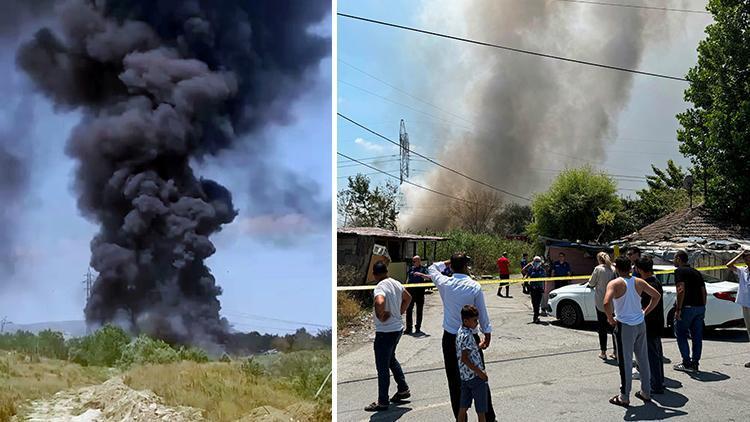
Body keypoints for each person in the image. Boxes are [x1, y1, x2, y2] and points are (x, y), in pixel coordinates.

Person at [427, 253, 496, 421]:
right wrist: (487, 334)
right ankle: (488, 417)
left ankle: (460, 417)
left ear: (451, 267)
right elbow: (482, 312)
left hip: (451, 338)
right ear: (466, 267)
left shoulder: (444, 283)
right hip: (471, 338)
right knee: (479, 377)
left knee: (455, 381)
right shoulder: (474, 286)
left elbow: (432, 268)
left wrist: (448, 263)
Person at [604, 256, 661, 407]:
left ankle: (624, 396)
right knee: (643, 359)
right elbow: (656, 296)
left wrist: (610, 319)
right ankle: (646, 392)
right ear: (630, 268)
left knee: (625, 362)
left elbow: (606, 302)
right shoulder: (639, 281)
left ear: (616, 268)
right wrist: (644, 312)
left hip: (625, 325)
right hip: (640, 323)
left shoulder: (615, 283)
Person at [365, 261, 412, 412]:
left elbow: (380, 301)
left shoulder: (380, 287)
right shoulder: (396, 283)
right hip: (397, 329)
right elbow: (408, 297)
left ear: (374, 274)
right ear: (386, 271)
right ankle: (403, 389)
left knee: (382, 367)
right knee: (391, 360)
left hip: (385, 332)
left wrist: (382, 314)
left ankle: (382, 401)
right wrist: (400, 312)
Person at [672, 250, 707, 373]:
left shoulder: (679, 272)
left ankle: (686, 363)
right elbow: (704, 291)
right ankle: (695, 363)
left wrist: (678, 309)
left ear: (679, 259)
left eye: (674, 258)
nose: (673, 261)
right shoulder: (696, 272)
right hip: (699, 308)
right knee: (697, 337)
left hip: (687, 308)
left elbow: (680, 290)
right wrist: (703, 306)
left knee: (681, 334)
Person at [636, 257, 665, 394]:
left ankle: (656, 385)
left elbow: (652, 301)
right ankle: (659, 381)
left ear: (639, 269)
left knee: (652, 355)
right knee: (657, 354)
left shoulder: (648, 284)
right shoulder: (656, 281)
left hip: (650, 324)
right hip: (657, 322)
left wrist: (643, 313)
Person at [581, 251, 617, 360]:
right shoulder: (613, 269)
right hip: (613, 302)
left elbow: (591, 283)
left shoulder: (598, 269)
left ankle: (603, 352)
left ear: (599, 259)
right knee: (614, 327)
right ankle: (616, 351)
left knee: (602, 328)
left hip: (601, 301)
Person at [456, 305, 489, 422]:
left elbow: (468, 351)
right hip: (475, 378)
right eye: (475, 320)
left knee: (463, 408)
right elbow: (464, 358)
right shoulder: (467, 336)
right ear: (466, 320)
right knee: (481, 411)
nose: (477, 323)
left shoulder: (461, 332)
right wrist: (480, 373)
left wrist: (479, 345)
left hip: (465, 378)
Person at [727, 249, 750, 368]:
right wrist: (740, 255)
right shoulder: (743, 271)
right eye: (746, 258)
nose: (747, 259)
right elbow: (729, 265)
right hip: (746, 304)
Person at [405, 255, 430, 335]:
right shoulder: (411, 269)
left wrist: (420, 274)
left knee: (419, 310)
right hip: (410, 291)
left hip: (419, 292)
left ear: (419, 261)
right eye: (413, 261)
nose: (413, 263)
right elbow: (408, 279)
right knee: (409, 310)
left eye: (415, 261)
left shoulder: (423, 269)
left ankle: (418, 327)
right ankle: (409, 328)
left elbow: (428, 278)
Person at [524, 256, 547, 323]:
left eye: (538, 261)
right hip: (532, 289)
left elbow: (544, 280)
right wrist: (525, 280)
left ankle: (535, 317)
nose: (537, 263)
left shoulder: (542, 270)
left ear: (540, 262)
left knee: (538, 303)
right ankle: (536, 316)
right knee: (534, 303)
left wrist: (543, 288)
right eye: (535, 261)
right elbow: (526, 274)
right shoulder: (531, 269)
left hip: (539, 289)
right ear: (533, 262)